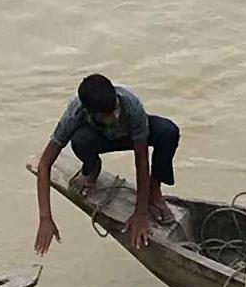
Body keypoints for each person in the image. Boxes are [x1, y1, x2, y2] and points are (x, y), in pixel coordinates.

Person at [29, 73, 179, 257]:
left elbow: (141, 160)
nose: (115, 116)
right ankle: (92, 170)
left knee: (168, 132)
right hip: (100, 137)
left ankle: (155, 192)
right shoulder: (75, 112)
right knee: (79, 140)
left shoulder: (130, 104)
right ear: (90, 113)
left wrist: (140, 213)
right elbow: (45, 164)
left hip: (130, 135)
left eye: (116, 109)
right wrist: (45, 218)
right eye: (109, 115)